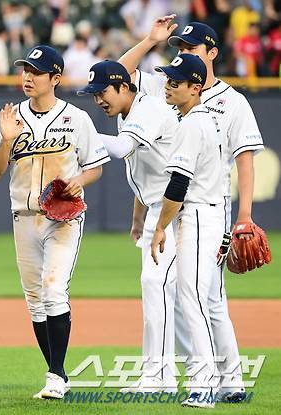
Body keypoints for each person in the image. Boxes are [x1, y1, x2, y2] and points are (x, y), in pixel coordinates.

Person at [119, 16, 265, 402]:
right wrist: (150, 40)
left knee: (202, 298)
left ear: (211, 54)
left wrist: (244, 216)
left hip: (203, 208)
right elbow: (119, 76)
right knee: (190, 295)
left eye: (189, 50)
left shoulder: (224, 105)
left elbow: (240, 161)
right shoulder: (176, 96)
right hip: (180, 208)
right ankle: (224, 382)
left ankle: (212, 383)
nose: (180, 57)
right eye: (178, 50)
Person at [0, 45, 109, 399]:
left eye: (36, 72)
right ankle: (57, 375)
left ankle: (56, 373)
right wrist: (6, 141)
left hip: (64, 218)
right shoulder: (9, 117)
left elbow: (95, 165)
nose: (27, 77)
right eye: (25, 70)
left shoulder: (76, 118)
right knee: (35, 300)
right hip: (24, 218)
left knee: (54, 290)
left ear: (55, 78)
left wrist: (79, 181)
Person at [78, 60, 180, 393]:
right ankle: (160, 375)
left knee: (170, 291)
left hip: (180, 210)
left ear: (124, 87)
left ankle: (163, 378)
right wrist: (137, 219)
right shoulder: (128, 114)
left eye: (102, 92)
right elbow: (147, 175)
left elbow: (122, 149)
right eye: (93, 95)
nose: (98, 100)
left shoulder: (148, 108)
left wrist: (76, 131)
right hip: (159, 209)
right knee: (162, 290)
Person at [150, 54, 223, 409]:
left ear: (196, 88)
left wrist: (160, 226)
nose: (168, 86)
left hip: (197, 217)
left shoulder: (193, 123)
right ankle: (209, 380)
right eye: (167, 79)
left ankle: (206, 385)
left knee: (192, 299)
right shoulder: (197, 119)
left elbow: (179, 184)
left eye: (175, 82)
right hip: (204, 215)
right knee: (193, 297)